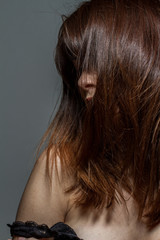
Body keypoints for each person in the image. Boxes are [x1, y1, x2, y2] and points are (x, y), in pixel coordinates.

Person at [8, 0, 160, 239]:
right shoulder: (58, 169)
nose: (82, 81)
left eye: (98, 63)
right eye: (80, 68)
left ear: (142, 60)